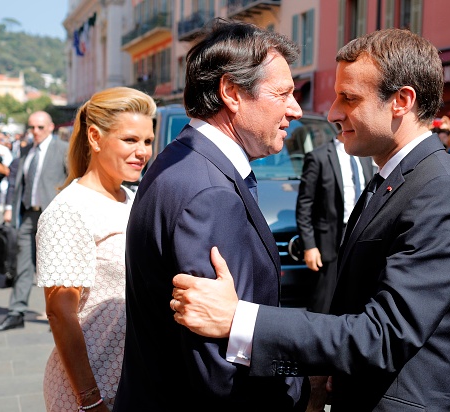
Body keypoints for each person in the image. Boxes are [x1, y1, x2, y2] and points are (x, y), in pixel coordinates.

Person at [170, 28, 450, 411]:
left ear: (401, 101)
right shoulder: (397, 179)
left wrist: (241, 319)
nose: (334, 113)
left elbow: (384, 336)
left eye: (349, 98)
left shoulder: (442, 190)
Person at [114, 20, 309, 411]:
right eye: (283, 93)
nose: (296, 109)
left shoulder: (182, 159)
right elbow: (218, 361)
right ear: (232, 92)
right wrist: (292, 393)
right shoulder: (210, 192)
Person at [35, 87, 156, 411]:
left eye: (147, 140)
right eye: (130, 140)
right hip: (92, 392)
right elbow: (60, 313)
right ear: (95, 137)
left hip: (133, 382)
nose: (142, 151)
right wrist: (90, 400)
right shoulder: (68, 210)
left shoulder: (132, 198)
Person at [0, 112, 68, 332]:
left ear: (50, 127)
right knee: (22, 264)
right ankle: (16, 312)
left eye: (40, 127)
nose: (35, 131)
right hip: (27, 214)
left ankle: (61, 316)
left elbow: (73, 180)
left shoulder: (61, 149)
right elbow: (15, 181)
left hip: (53, 217)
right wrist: (8, 209)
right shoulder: (26, 151)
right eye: (32, 127)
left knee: (56, 266)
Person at [297, 128, 373, 313]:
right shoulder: (319, 157)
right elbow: (305, 206)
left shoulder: (365, 157)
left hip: (361, 234)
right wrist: (309, 246)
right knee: (324, 302)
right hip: (330, 240)